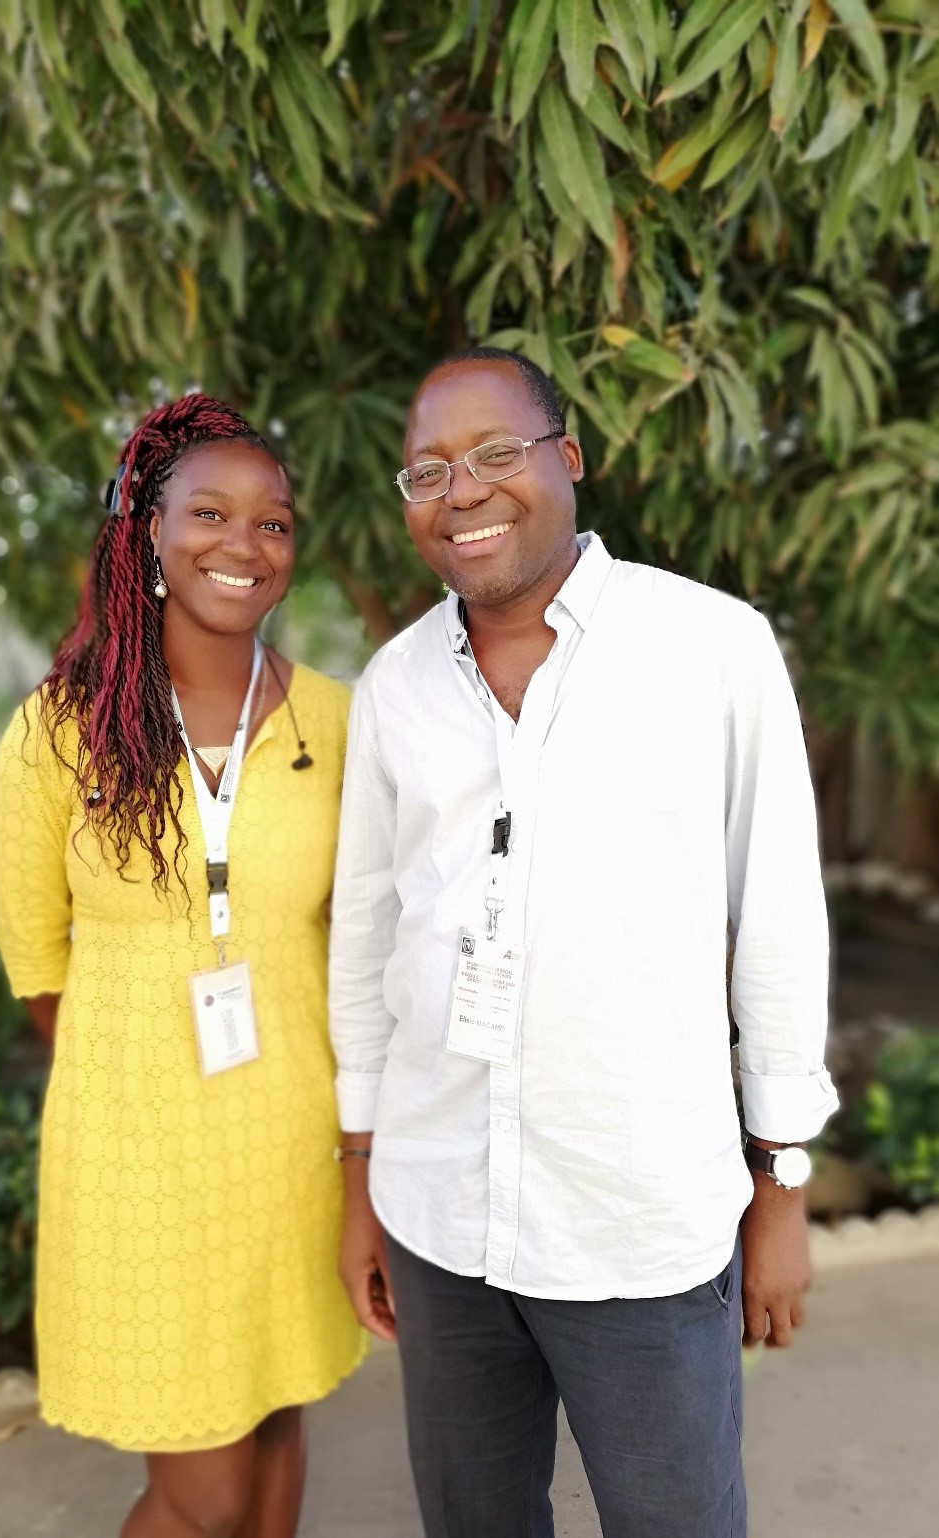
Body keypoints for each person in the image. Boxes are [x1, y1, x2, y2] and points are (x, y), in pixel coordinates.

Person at [329, 348, 839, 1538]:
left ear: (566, 457)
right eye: (428, 469)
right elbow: (366, 937)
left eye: (495, 452)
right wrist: (362, 1177)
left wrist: (783, 1179)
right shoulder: (395, 686)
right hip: (440, 1211)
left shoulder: (710, 648)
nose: (462, 490)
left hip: (639, 1223)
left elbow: (775, 920)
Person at [0, 394, 366, 1538]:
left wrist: (358, 1151)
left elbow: (359, 946)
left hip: (295, 1142)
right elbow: (34, 960)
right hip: (137, 1158)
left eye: (274, 522)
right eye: (209, 512)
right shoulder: (60, 729)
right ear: (144, 532)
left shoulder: (340, 724)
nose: (244, 544)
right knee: (197, 1494)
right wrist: (139, 1067)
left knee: (277, 1423)